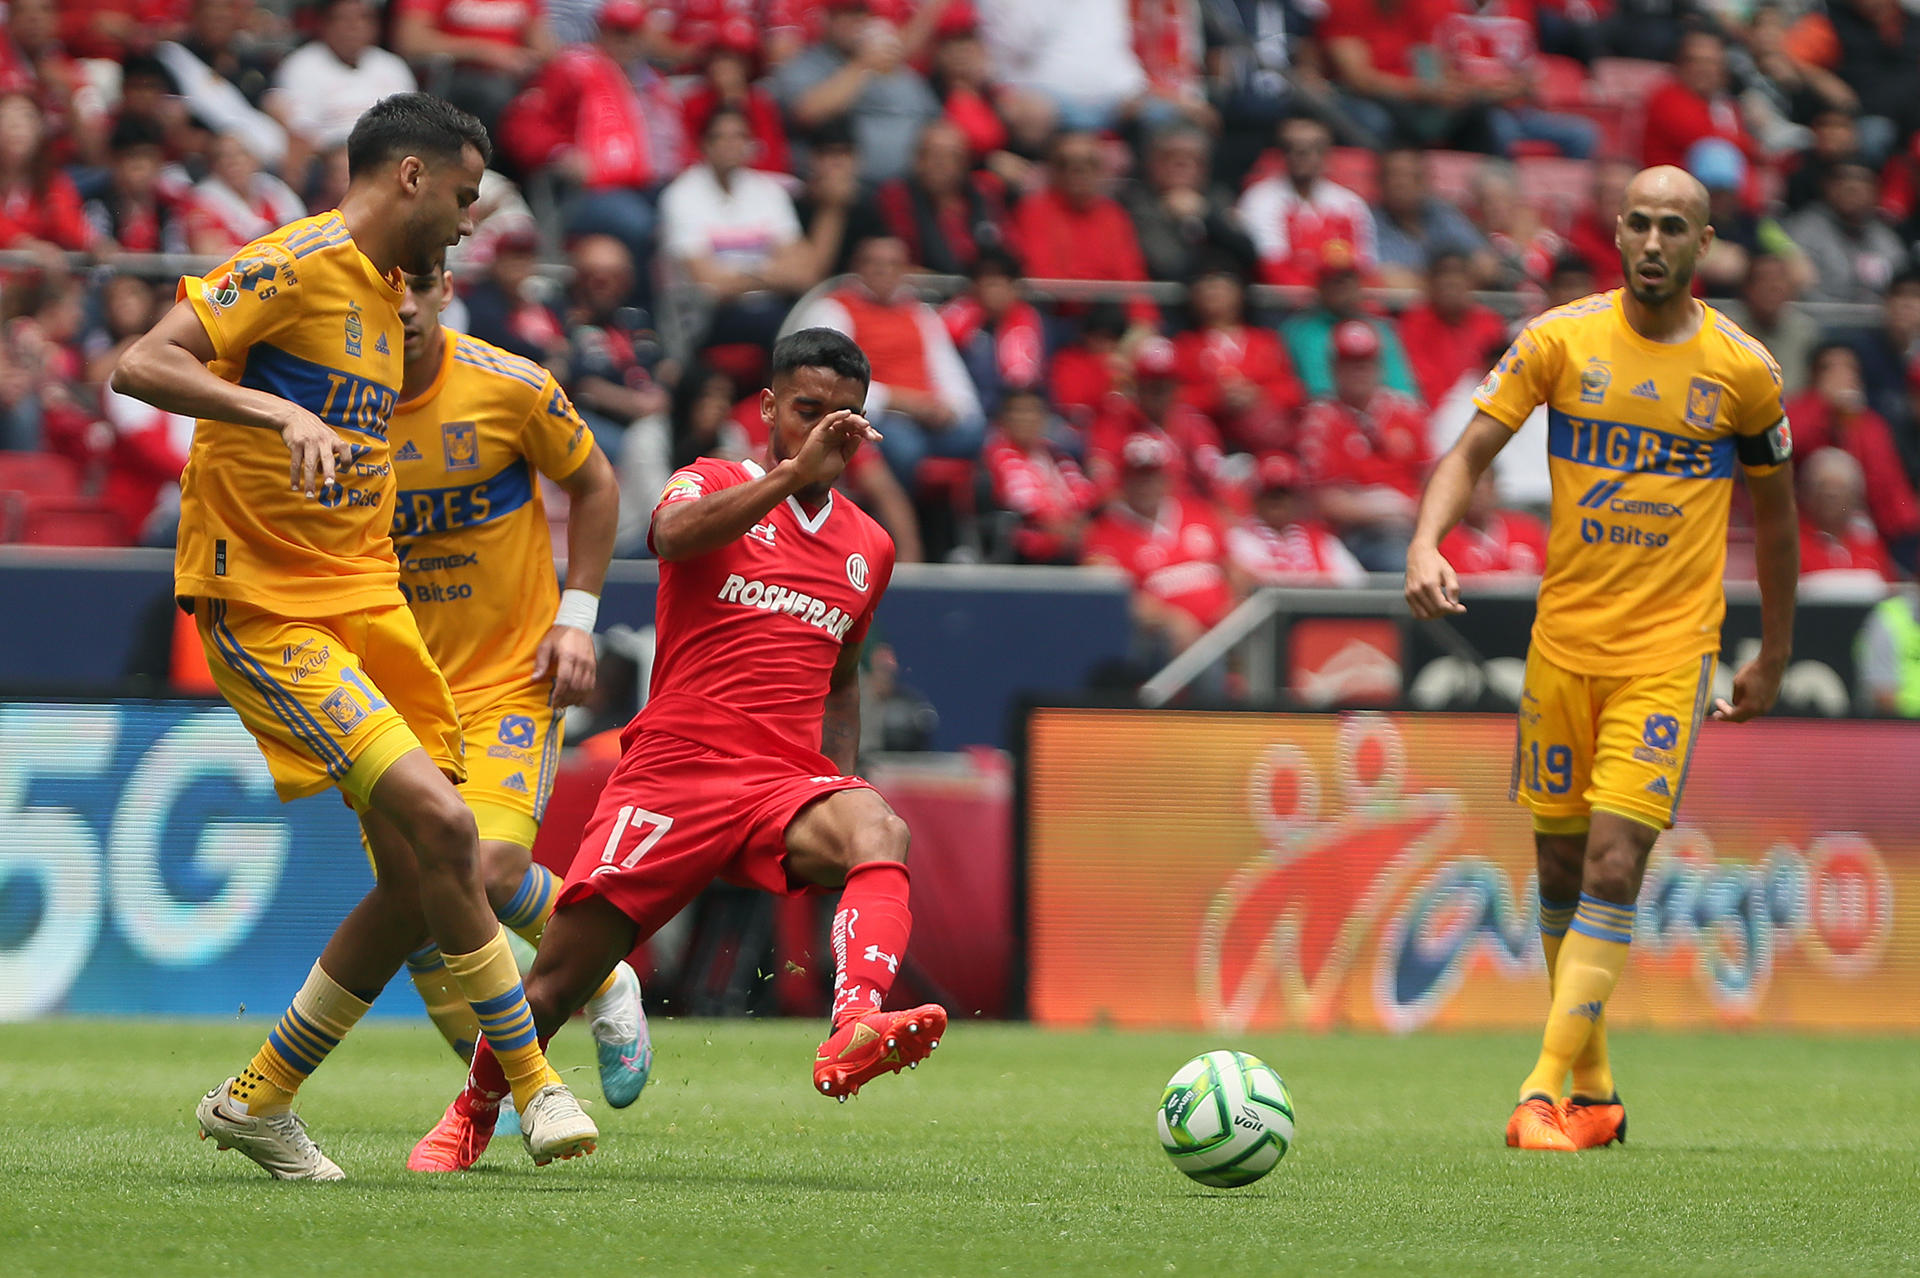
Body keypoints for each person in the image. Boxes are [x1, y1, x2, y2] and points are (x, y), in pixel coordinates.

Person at [108, 93, 595, 1180]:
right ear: (411, 176)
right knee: (437, 820)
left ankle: (257, 1099)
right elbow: (141, 363)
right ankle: (533, 1085)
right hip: (268, 605)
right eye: (466, 196)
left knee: (429, 869)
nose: (471, 221)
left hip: (368, 603)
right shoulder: (291, 263)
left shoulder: (389, 301)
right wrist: (276, 413)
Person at [410, 328, 945, 1171]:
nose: (825, 430)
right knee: (556, 982)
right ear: (768, 409)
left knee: (880, 828)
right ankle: (473, 1110)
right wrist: (788, 479)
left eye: (845, 416)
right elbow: (670, 538)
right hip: (674, 778)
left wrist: (835, 771)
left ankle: (853, 1026)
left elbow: (841, 676)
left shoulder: (868, 546)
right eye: (807, 410)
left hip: (782, 784)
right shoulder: (716, 479)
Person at [1405, 165, 1799, 1153]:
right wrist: (1424, 542)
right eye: (1640, 223)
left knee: (1617, 861)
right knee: (1559, 861)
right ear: (1616, 234)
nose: (1655, 241)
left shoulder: (1742, 371)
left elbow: (1779, 522)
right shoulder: (1559, 341)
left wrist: (1774, 652)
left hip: (1669, 655)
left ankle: (1540, 1092)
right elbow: (1467, 455)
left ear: (1705, 244)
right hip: (1562, 646)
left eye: (1676, 226)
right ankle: (1598, 1091)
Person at [382, 264, 649, 1164]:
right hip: (393, 692)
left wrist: (577, 618)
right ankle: (501, 1088)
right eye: (387, 286)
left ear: (447, 287)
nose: (407, 303)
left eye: (421, 283)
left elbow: (599, 486)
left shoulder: (511, 386)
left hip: (509, 675)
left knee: (486, 867)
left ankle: (602, 978)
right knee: (424, 912)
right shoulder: (332, 409)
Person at [796, 233, 988, 486]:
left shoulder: (919, 313)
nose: (884, 271)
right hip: (874, 414)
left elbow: (949, 372)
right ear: (858, 267)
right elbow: (827, 382)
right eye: (875, 263)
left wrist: (950, 408)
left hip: (928, 417)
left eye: (893, 264)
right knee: (905, 447)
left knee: (978, 433)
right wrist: (899, 401)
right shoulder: (833, 309)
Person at [1082, 431, 1233, 656]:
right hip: (1163, 644)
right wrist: (1169, 619)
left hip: (1226, 631)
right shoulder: (1103, 534)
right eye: (1137, 476)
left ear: (1167, 478)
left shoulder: (1199, 512)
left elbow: (1231, 567)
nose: (1146, 485)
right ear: (1122, 481)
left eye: (1152, 475)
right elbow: (1112, 597)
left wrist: (1235, 609)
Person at [1298, 319, 1431, 571]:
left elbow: (1431, 480)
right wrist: (1391, 507)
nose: (1358, 371)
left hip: (1416, 525)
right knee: (1398, 560)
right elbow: (1327, 502)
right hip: (1358, 533)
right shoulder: (1321, 420)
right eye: (1350, 363)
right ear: (1334, 367)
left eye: (1365, 363)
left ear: (1379, 366)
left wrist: (1415, 512)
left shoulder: (1407, 411)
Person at [1784, 342, 1920, 572]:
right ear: (1815, 376)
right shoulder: (1798, 411)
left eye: (1849, 369)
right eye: (1831, 369)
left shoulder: (1870, 424)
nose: (1841, 376)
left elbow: (1887, 488)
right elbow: (1782, 447)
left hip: (1874, 531)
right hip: (1805, 527)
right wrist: (1822, 405)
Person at [1236, 114, 1377, 288]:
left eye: (1314, 147)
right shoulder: (1260, 199)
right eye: (1291, 147)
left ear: (1328, 153)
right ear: (1281, 153)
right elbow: (1272, 265)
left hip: (1342, 302)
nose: (1302, 154)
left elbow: (1364, 265)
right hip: (1282, 303)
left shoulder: (1350, 203)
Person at [983, 384, 1096, 564]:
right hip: (1027, 538)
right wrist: (1061, 527)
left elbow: (1082, 490)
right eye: (1018, 412)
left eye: (1033, 412)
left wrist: (1077, 521)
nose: (1026, 419)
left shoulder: (1056, 454)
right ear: (1003, 419)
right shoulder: (997, 454)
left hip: (1069, 532)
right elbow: (1021, 499)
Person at [1225, 453, 1368, 589]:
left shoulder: (1322, 541)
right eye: (1270, 494)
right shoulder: (1238, 539)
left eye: (1286, 493)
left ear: (1297, 498)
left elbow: (1356, 584)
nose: (1278, 502)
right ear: (1256, 497)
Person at [1797, 447, 1894, 586]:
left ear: (1856, 497)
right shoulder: (1791, 544)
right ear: (1806, 493)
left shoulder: (1870, 545)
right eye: (1823, 487)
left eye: (1841, 489)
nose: (1831, 494)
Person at [1436, 468, 1548, 576]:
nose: (1478, 489)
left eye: (1484, 481)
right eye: (1470, 482)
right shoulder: (1443, 542)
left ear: (1495, 487)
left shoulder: (1528, 529)